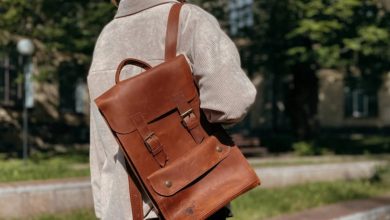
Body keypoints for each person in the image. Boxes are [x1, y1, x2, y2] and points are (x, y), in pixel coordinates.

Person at [87, 0, 257, 219]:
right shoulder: (188, 20)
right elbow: (231, 104)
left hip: (123, 210)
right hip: (193, 200)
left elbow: (100, 145)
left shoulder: (105, 40)